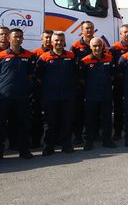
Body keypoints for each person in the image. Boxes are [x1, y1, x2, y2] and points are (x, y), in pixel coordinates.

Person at [36, 31, 77, 155]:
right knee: (50, 123)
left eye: (61, 40)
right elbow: (38, 75)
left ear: (64, 42)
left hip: (67, 95)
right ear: (52, 42)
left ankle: (66, 145)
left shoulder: (71, 56)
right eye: (56, 40)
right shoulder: (44, 57)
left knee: (67, 121)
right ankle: (48, 147)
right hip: (50, 95)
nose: (59, 42)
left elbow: (75, 73)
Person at [0, 28, 35, 159]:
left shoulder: (29, 55)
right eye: (15, 37)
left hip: (22, 96)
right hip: (3, 97)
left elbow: (30, 76)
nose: (18, 39)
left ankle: (24, 150)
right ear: (9, 38)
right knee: (1, 124)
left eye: (20, 37)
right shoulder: (2, 55)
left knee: (23, 124)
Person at [79, 38, 117, 150]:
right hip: (91, 95)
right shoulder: (84, 61)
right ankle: (88, 141)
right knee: (90, 119)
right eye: (94, 46)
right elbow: (81, 79)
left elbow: (113, 74)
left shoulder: (110, 59)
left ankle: (107, 140)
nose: (97, 48)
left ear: (103, 47)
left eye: (99, 46)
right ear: (90, 47)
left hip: (106, 94)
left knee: (107, 119)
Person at [70, 21, 97, 145]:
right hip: (80, 84)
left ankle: (94, 134)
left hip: (95, 84)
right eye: (86, 28)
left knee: (94, 111)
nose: (89, 30)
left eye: (91, 28)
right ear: (81, 30)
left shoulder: (98, 43)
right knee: (79, 111)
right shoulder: (75, 46)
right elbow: (72, 66)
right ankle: (78, 135)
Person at [110, 24, 128, 141]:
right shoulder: (115, 48)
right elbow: (112, 66)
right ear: (120, 34)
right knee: (119, 109)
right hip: (120, 83)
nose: (127, 34)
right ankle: (118, 132)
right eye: (125, 32)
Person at [30, 30, 53, 148]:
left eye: (50, 38)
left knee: (53, 117)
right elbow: (32, 73)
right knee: (37, 116)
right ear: (41, 39)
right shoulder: (35, 53)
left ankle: (52, 140)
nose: (48, 40)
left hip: (54, 91)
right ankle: (35, 141)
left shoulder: (59, 53)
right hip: (39, 91)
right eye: (46, 38)